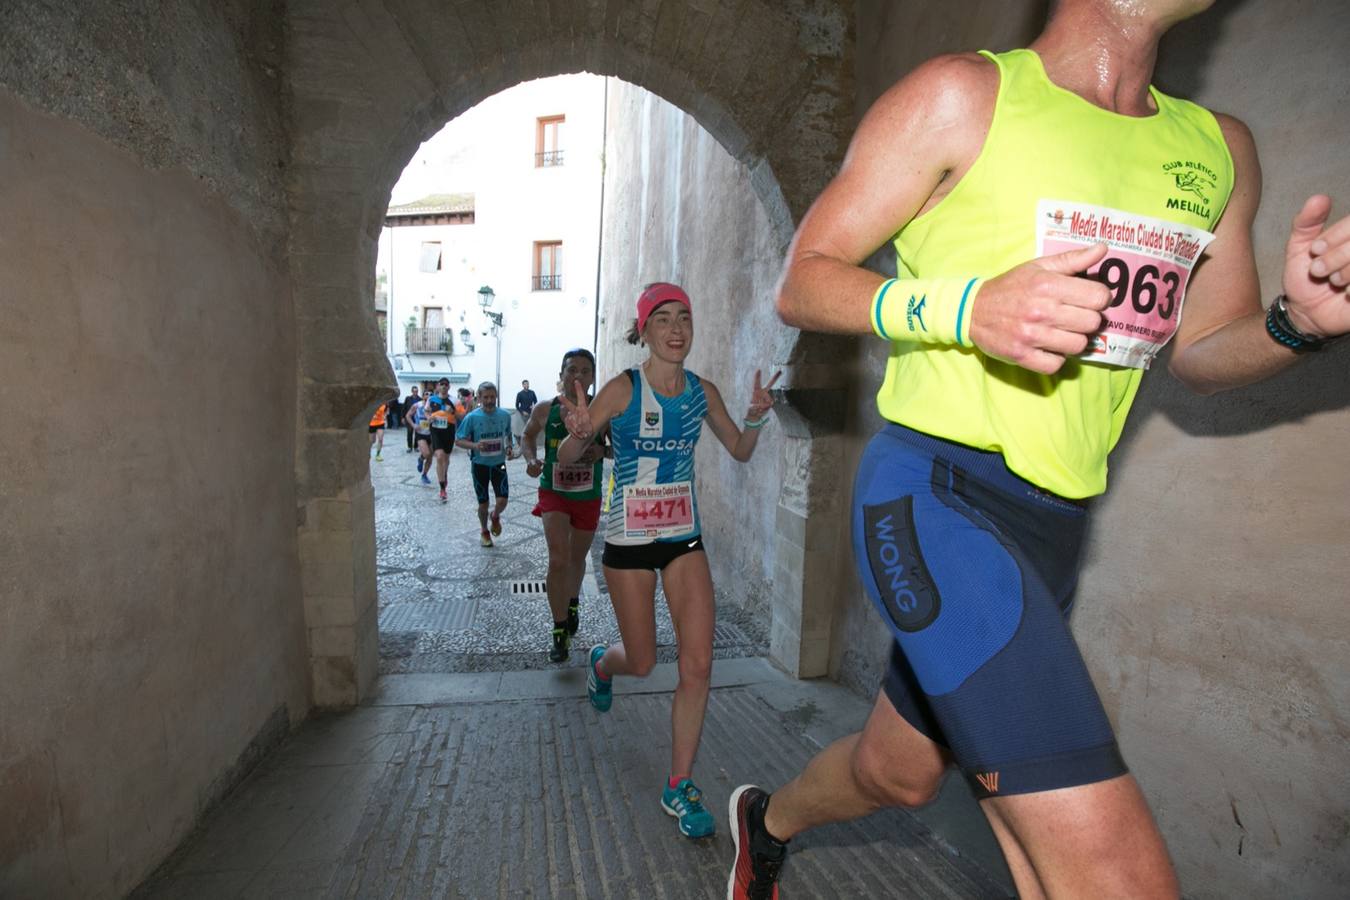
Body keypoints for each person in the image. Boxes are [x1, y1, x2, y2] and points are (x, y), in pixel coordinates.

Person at [724, 1, 1350, 897]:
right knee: (1113, 876)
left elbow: (1203, 353)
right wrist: (966, 308)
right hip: (934, 495)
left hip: (1057, 530)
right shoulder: (960, 96)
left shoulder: (1221, 150)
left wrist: (1296, 326)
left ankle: (768, 822)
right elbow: (804, 279)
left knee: (898, 772)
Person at [557, 282, 779, 840]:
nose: (677, 328)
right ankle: (603, 665)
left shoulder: (701, 393)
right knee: (643, 660)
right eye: (663, 319)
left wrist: (755, 419)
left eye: (685, 317)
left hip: (683, 539)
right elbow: (566, 458)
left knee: (698, 665)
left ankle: (678, 784)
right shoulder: (622, 390)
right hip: (629, 544)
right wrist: (580, 436)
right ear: (644, 330)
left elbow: (740, 448)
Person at [522, 350, 608, 663]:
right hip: (554, 492)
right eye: (573, 369)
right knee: (558, 559)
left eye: (586, 371)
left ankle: (572, 600)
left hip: (587, 495)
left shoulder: (603, 410)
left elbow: (615, 449)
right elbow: (527, 435)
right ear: (563, 374)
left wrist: (600, 450)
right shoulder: (546, 409)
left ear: (593, 377)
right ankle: (559, 629)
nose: (579, 376)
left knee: (576, 558)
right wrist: (531, 460)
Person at [455, 382, 517, 547]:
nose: (490, 400)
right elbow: (458, 440)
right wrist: (475, 446)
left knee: (502, 501)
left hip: (499, 464)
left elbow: (508, 435)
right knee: (483, 503)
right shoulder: (472, 417)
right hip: (479, 466)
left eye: (492, 397)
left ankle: (495, 516)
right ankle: (484, 531)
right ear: (479, 398)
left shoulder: (504, 415)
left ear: (496, 397)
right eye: (486, 397)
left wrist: (509, 448)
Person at [425, 378, 458, 502]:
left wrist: (453, 411)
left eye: (446, 385)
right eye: (441, 384)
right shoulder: (432, 399)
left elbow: (461, 415)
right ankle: (442, 488)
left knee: (446, 459)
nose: (443, 386)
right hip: (436, 430)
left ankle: (444, 475)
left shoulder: (454, 400)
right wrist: (429, 418)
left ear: (449, 387)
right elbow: (427, 411)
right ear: (438, 387)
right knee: (439, 456)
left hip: (449, 430)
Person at [403, 391, 433, 483]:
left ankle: (424, 475)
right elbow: (407, 415)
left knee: (430, 457)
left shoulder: (435, 406)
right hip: (420, 433)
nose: (429, 396)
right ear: (423, 396)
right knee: (426, 453)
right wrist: (413, 425)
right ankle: (420, 459)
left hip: (432, 434)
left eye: (431, 395)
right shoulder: (417, 405)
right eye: (426, 394)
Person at [402, 385, 421, 453]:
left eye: (416, 391)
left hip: (417, 419)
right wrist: (403, 417)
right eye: (414, 391)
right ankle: (410, 447)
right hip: (409, 418)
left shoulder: (420, 399)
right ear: (412, 391)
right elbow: (404, 408)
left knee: (417, 433)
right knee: (409, 433)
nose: (415, 392)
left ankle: (416, 447)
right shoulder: (408, 398)